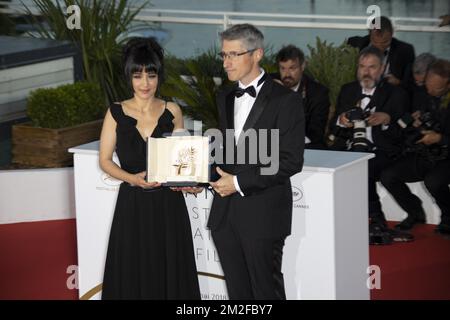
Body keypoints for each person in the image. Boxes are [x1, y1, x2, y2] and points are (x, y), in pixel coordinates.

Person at [208, 24, 304, 299]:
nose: (226, 63)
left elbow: (290, 161)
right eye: (223, 55)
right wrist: (199, 178)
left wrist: (237, 182)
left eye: (234, 55)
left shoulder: (287, 100)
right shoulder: (224, 97)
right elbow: (227, 152)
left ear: (257, 54)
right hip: (225, 216)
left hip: (263, 214)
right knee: (238, 294)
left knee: (266, 292)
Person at [99, 37, 201, 299]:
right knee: (132, 274)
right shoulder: (115, 113)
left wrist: (190, 183)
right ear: (129, 78)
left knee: (170, 276)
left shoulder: (172, 111)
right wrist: (132, 179)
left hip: (169, 208)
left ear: (159, 77)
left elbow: (184, 161)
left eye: (151, 75)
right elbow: (105, 160)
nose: (145, 83)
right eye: (138, 76)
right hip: (133, 207)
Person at [328, 46, 410, 244]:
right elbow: (333, 128)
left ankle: (377, 221)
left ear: (382, 69)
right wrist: (342, 119)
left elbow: (402, 134)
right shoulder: (348, 90)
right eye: (362, 66)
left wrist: (386, 119)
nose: (366, 71)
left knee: (362, 169)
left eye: (372, 67)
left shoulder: (396, 94)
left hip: (381, 150)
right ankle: (333, 220)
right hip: (349, 147)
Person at [380, 59, 450, 235]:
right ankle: (415, 211)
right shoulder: (421, 93)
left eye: (437, 89)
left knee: (434, 181)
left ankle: (448, 218)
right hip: (424, 152)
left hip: (447, 156)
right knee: (388, 176)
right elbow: (410, 123)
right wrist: (416, 122)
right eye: (428, 85)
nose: (431, 91)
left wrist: (439, 138)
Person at [273, 44, 330, 149]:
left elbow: (315, 133)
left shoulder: (318, 93)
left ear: (302, 67)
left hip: (306, 147)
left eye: (292, 68)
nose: (287, 74)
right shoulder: (270, 83)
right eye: (283, 68)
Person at [347, 16, 415, 88]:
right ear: (370, 34)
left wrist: (398, 83)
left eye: (385, 42)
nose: (380, 47)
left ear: (392, 33)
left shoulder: (405, 51)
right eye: (375, 42)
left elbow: (411, 84)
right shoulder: (354, 45)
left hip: (390, 94)